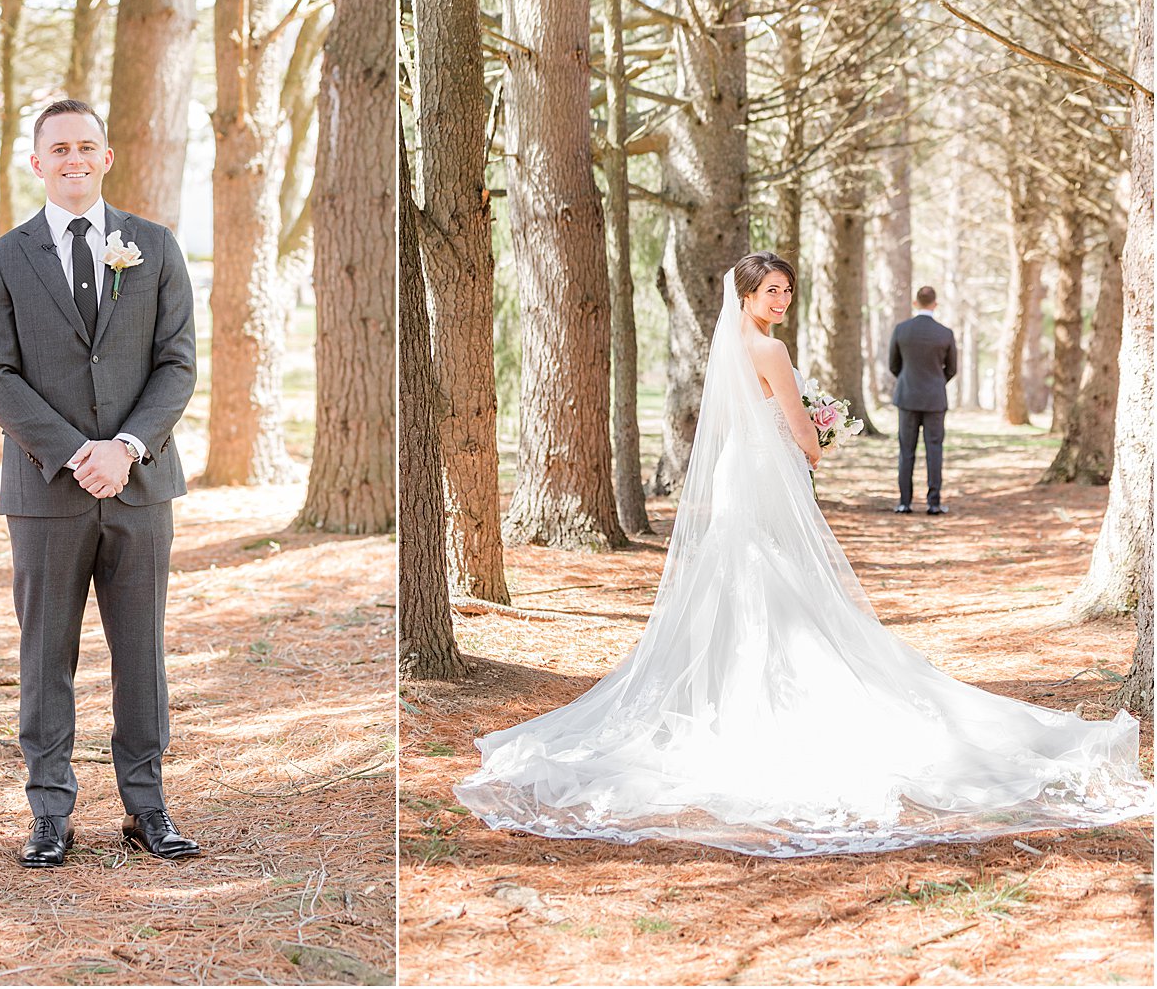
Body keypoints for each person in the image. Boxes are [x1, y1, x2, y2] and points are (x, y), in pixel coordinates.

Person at [453, 251, 1151, 858]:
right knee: (775, 579)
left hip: (737, 473)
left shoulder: (729, 346)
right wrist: (821, 430)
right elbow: (806, 442)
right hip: (766, 474)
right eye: (771, 292)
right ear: (748, 298)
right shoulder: (772, 351)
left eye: (787, 290)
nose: (781, 300)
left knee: (739, 579)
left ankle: (730, 690)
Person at [0, 98, 200, 868]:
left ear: (106, 158)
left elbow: (176, 363)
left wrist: (126, 447)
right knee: (45, 655)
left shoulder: (156, 247)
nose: (73, 159)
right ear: (37, 164)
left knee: (142, 653)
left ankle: (147, 805)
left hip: (140, 484)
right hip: (45, 490)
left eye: (86, 147)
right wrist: (76, 452)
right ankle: (49, 811)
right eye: (58, 149)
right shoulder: (3, 259)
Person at [889, 286, 957, 515]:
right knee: (934, 450)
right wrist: (937, 383)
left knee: (906, 450)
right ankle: (933, 503)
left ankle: (904, 502)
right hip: (935, 399)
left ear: (915, 303)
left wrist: (908, 381)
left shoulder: (901, 330)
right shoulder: (945, 333)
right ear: (934, 304)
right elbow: (952, 369)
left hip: (907, 397)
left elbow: (893, 365)